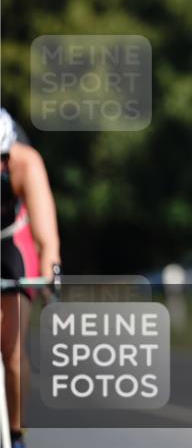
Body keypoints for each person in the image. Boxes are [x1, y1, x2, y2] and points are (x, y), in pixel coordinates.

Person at [1, 109, 61, 448]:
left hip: (11, 241)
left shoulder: (26, 163)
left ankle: (16, 432)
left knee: (11, 347)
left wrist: (51, 274)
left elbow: (46, 237)